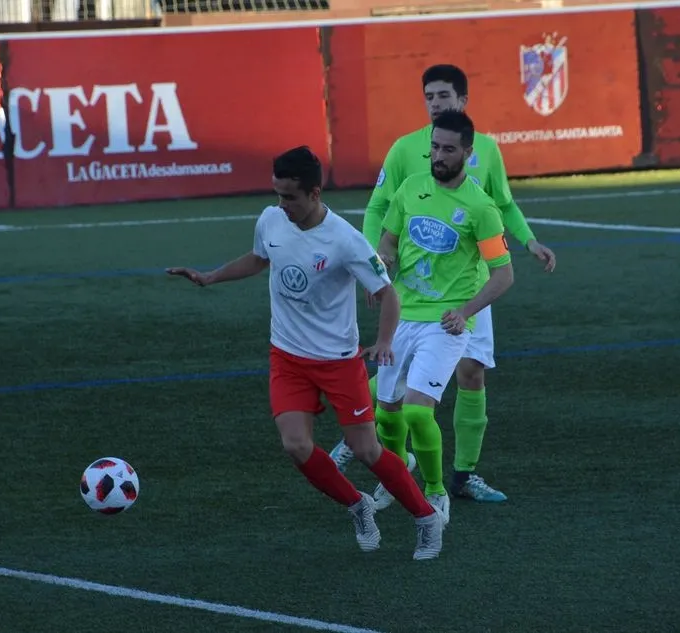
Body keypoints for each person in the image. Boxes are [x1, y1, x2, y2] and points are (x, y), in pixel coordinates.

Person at [168, 146, 446, 560]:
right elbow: (259, 258)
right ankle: (358, 506)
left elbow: (388, 294)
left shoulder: (345, 240)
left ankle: (426, 520)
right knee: (296, 446)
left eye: (290, 197)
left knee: (368, 450)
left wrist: (384, 341)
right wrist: (212, 277)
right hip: (287, 356)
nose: (282, 205)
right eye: (278, 195)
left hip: (337, 362)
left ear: (315, 194)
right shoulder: (270, 220)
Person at [331, 64, 556, 503]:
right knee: (397, 392)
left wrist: (528, 241)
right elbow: (381, 206)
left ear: (463, 101)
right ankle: (374, 440)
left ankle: (462, 477)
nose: (436, 104)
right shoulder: (404, 151)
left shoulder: (486, 151)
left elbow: (503, 205)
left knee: (471, 374)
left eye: (443, 96)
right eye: (429, 97)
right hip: (414, 295)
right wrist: (376, 260)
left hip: (468, 291)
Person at [368, 110, 515, 524]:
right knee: (386, 413)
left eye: (449, 149)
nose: (438, 155)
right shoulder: (411, 189)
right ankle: (396, 479)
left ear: (468, 154)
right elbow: (389, 241)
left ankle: (436, 494)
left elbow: (504, 274)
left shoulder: (481, 207)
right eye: (435, 146)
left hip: (445, 323)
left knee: (417, 411)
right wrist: (381, 266)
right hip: (401, 316)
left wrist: (465, 312)